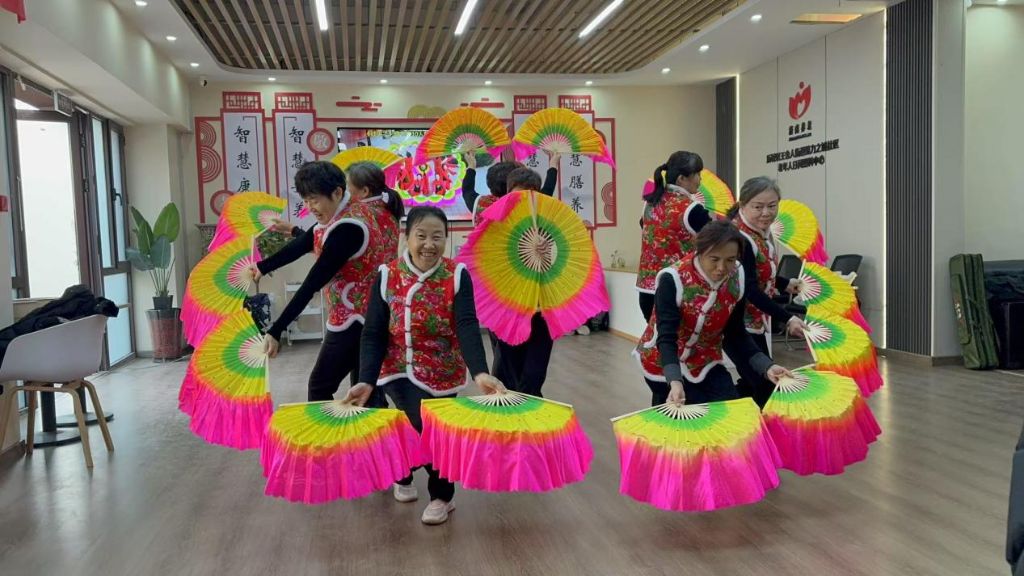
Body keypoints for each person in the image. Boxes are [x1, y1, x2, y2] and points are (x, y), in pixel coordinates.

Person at [343, 206, 506, 526]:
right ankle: (416, 478)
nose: (429, 244)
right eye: (421, 236)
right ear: (407, 237)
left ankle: (437, 493)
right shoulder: (387, 274)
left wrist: (480, 372)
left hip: (443, 370)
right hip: (397, 368)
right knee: (423, 423)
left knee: (436, 431)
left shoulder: (456, 275)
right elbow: (373, 332)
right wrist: (367, 380)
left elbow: (466, 325)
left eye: (437, 237)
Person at [253, 161, 402, 405]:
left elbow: (312, 283)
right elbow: (307, 242)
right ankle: (374, 429)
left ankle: (329, 432)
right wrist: (262, 267)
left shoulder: (349, 227)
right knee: (365, 392)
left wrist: (277, 329)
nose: (310, 207)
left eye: (314, 200)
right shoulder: (359, 210)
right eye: (306, 200)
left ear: (338, 193)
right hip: (373, 314)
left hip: (354, 319)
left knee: (320, 386)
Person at [633, 220, 793, 406]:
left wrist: (767, 366)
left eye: (730, 260)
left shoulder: (737, 277)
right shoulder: (673, 279)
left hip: (705, 359)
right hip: (663, 361)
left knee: (729, 408)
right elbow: (667, 337)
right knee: (684, 415)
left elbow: (736, 333)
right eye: (714, 259)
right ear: (699, 252)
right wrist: (675, 381)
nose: (722, 268)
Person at [726, 177, 807, 408]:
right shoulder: (740, 238)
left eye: (772, 206)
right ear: (743, 205)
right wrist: (788, 318)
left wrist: (784, 283)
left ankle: (746, 422)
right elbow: (749, 289)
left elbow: (758, 274)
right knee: (765, 385)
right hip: (736, 325)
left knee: (756, 383)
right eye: (758, 207)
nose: (766, 213)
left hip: (754, 321)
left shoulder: (759, 232)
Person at [636, 151, 712, 322]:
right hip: (677, 291)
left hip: (646, 291)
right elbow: (716, 243)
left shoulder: (649, 203)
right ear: (681, 179)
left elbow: (648, 231)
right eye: (697, 174)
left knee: (658, 337)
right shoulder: (692, 209)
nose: (700, 179)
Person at [460, 151, 559, 225]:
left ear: (490, 184)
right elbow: (548, 189)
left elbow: (467, 190)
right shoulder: (530, 205)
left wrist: (471, 165)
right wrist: (553, 164)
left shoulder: (482, 205)